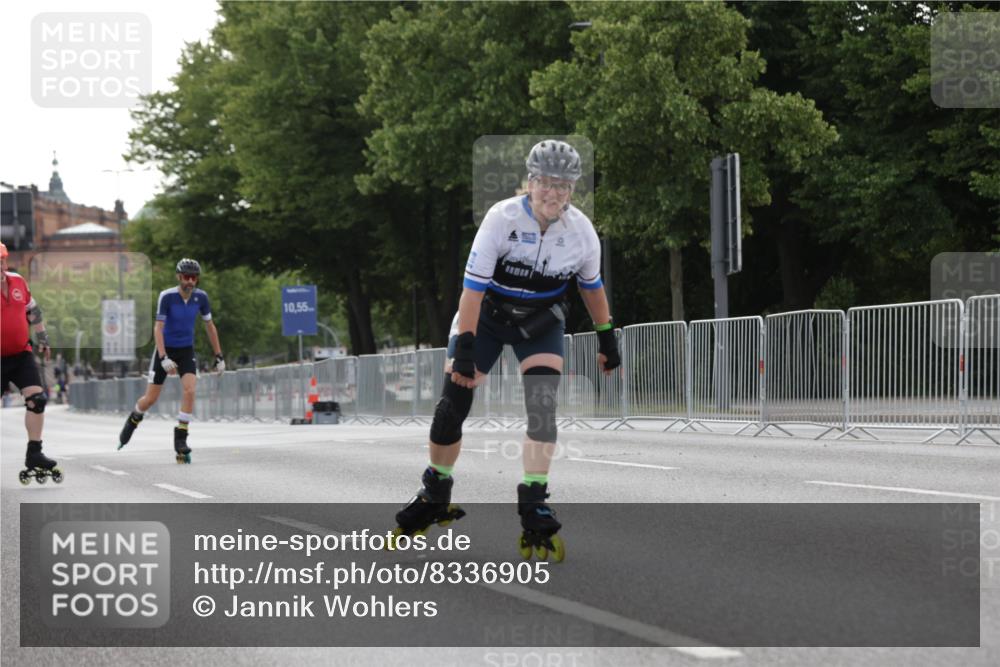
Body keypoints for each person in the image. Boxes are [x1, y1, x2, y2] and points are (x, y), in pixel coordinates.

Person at [391, 140, 620, 561]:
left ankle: (534, 498)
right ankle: (435, 491)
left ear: (573, 190)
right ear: (530, 183)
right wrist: (465, 347)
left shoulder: (581, 232)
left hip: (540, 321)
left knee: (543, 406)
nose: (554, 194)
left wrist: (607, 337)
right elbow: (472, 291)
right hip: (489, 315)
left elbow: (592, 288)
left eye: (564, 186)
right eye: (547, 184)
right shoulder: (501, 218)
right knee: (452, 404)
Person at [118, 258, 224, 463]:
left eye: (194, 278)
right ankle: (134, 418)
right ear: (179, 277)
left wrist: (219, 355)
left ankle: (181, 438)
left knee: (190, 390)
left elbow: (210, 326)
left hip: (186, 350)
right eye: (186, 277)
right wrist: (163, 356)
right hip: (165, 349)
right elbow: (158, 327)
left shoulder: (201, 298)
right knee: (150, 399)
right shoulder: (167, 297)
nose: (190, 281)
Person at [0, 242, 63, 484]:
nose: (0, 266)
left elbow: (33, 311)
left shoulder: (18, 282)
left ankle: (34, 453)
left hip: (20, 354)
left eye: (2, 260)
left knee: (37, 399)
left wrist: (43, 338)